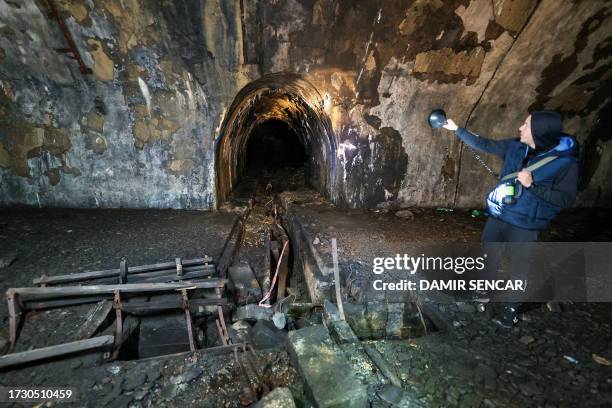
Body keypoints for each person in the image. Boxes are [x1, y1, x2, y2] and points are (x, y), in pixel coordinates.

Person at [442, 111, 580, 328]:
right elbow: (485, 144)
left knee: (519, 268)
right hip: (500, 215)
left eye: (526, 125)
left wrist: (532, 185)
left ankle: (511, 310)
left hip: (526, 224)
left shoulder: (566, 164)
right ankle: (482, 294)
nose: (520, 128)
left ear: (539, 133)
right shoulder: (516, 146)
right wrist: (456, 129)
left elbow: (565, 199)